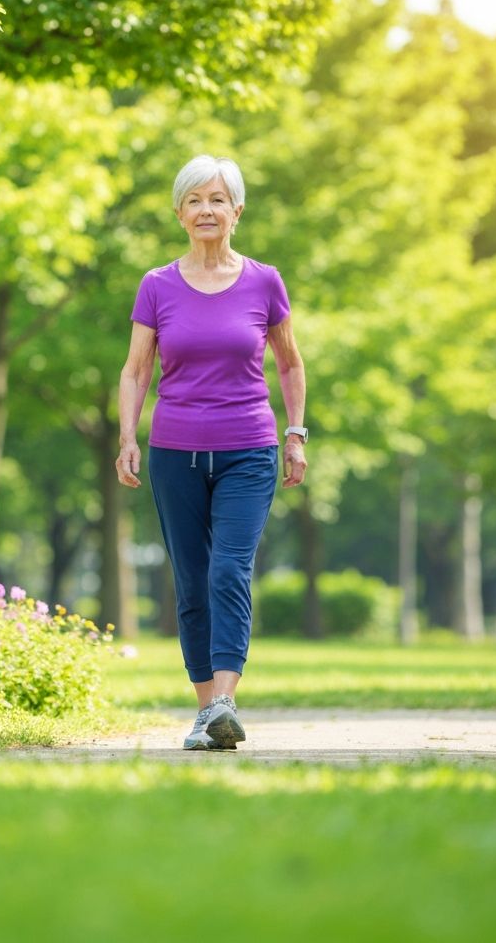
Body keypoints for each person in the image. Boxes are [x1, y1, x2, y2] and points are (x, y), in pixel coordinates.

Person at [116, 154, 308, 751]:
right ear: (180, 213)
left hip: (248, 449)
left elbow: (290, 363)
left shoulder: (264, 281)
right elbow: (136, 369)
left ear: (237, 211)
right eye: (195, 200)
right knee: (192, 580)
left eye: (217, 199)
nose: (206, 210)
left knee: (230, 568)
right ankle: (207, 714)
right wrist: (128, 436)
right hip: (174, 451)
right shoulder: (157, 285)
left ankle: (225, 699)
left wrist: (295, 434)